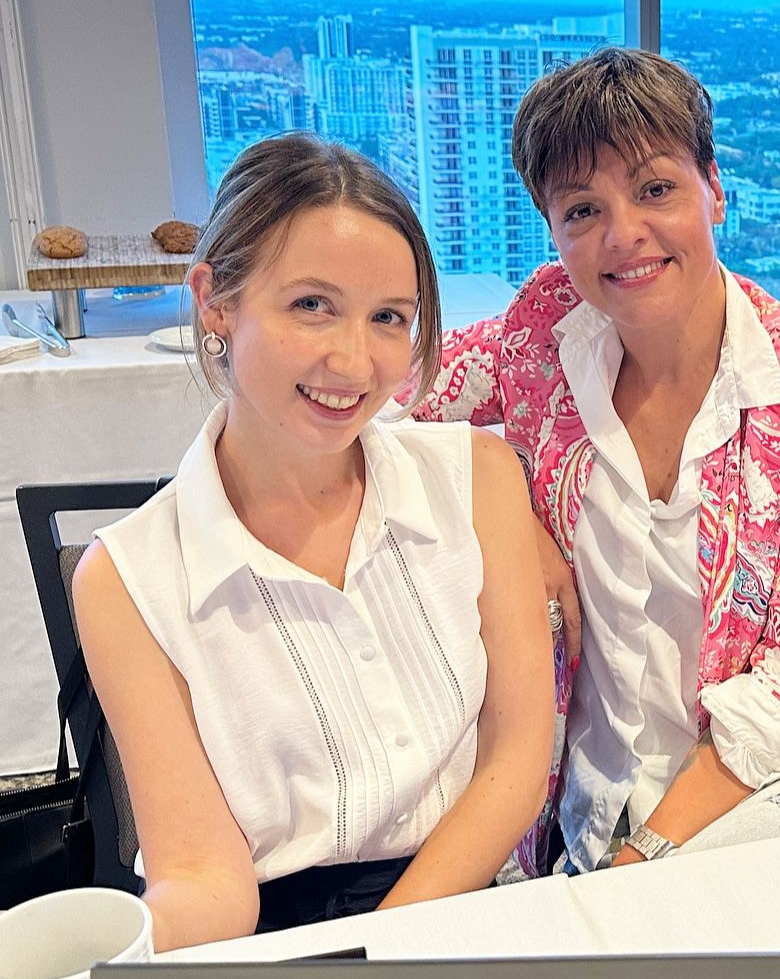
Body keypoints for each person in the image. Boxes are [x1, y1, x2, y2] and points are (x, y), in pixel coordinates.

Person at [408, 48, 780, 876]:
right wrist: (507, 507)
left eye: (654, 188)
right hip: (603, 786)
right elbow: (384, 398)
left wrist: (649, 853)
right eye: (581, 209)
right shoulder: (543, 329)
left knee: (711, 919)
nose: (622, 233)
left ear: (714, 188)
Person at [72, 133, 554, 951]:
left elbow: (516, 758)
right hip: (279, 936)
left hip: (471, 899)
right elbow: (202, 874)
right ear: (216, 303)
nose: (353, 360)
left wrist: (388, 947)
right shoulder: (126, 577)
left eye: (388, 318)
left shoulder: (477, 477)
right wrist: (106, 947)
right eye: (311, 305)